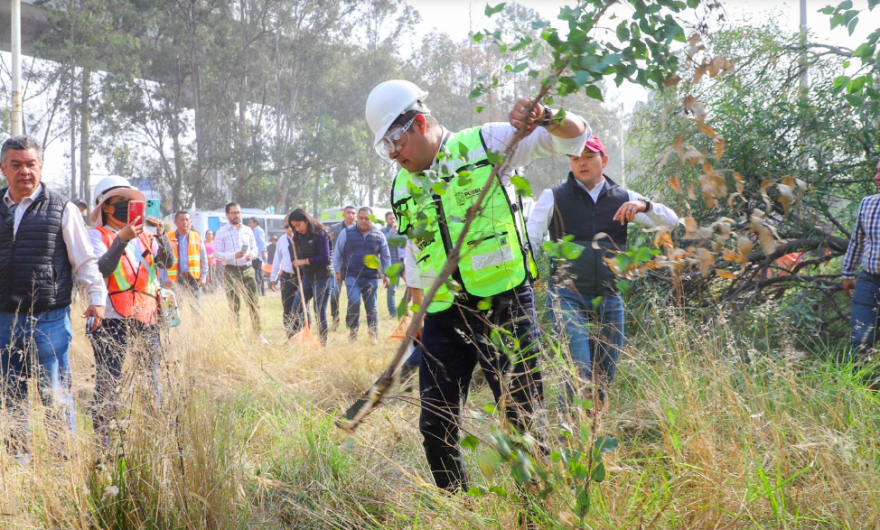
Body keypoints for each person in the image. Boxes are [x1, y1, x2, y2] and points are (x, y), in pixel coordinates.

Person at [366, 79, 589, 492]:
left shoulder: (485, 144)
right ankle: (458, 507)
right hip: (442, 317)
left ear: (417, 122)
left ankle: (534, 513)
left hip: (504, 304)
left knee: (523, 418)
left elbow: (575, 138)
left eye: (395, 140)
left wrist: (548, 116)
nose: (393, 154)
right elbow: (418, 256)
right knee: (434, 424)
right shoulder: (401, 186)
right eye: (385, 147)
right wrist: (417, 316)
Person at [527, 135, 679, 405]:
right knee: (580, 369)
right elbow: (530, 241)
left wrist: (646, 205)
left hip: (609, 297)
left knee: (604, 374)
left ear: (604, 160)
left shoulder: (624, 198)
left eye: (588, 156)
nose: (581, 162)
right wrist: (525, 284)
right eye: (575, 158)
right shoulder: (553, 196)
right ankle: (566, 435)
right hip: (566, 296)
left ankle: (594, 434)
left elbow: (672, 222)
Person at [0, 135, 106, 459]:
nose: (24, 172)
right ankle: (19, 461)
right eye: (16, 165)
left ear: (40, 166)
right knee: (10, 395)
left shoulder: (62, 208)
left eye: (31, 164)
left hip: (50, 320)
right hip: (4, 320)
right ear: (3, 168)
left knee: (55, 395)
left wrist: (97, 296)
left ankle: (63, 465)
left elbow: (84, 259)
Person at [87, 176, 175, 451]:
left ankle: (154, 433)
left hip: (147, 317)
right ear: (106, 207)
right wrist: (121, 240)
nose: (127, 207)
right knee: (108, 381)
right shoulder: (96, 235)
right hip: (111, 320)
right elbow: (102, 269)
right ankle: (106, 442)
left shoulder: (146, 236)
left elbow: (167, 263)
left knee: (151, 378)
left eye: (130, 202)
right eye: (120, 202)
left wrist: (161, 236)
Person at [332, 207, 390, 343]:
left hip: (371, 277)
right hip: (352, 276)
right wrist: (337, 271)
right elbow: (337, 253)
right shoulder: (347, 232)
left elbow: (386, 257)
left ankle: (373, 334)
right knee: (354, 302)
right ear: (357, 218)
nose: (363, 221)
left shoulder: (379, 235)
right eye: (361, 218)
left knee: (372, 307)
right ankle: (353, 333)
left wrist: (386, 275)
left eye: (367, 218)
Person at [842, 159, 880, 357]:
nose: (876, 177)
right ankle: (864, 386)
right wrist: (847, 273)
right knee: (861, 339)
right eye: (876, 171)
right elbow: (856, 241)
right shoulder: (868, 204)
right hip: (869, 280)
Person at [214, 203, 264, 342]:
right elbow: (217, 253)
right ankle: (236, 335)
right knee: (234, 303)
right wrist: (232, 255)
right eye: (233, 213)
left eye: (238, 212)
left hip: (247, 268)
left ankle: (257, 334)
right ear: (227, 215)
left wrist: (251, 255)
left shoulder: (248, 230)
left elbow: (255, 248)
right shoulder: (221, 232)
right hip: (231, 270)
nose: (237, 215)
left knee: (254, 302)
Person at [288, 209, 333, 345]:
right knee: (295, 308)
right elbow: (297, 255)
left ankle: (322, 344)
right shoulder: (297, 237)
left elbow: (325, 258)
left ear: (306, 221)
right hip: (308, 277)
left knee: (319, 311)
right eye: (294, 226)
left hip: (323, 277)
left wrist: (303, 261)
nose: (297, 228)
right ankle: (297, 339)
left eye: (298, 225)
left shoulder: (320, 234)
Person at [160, 211, 208, 307]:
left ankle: (196, 323)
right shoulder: (168, 237)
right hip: (175, 279)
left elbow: (204, 259)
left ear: (190, 222)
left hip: (194, 278)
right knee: (175, 308)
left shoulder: (196, 236)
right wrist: (164, 279)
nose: (184, 222)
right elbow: (161, 261)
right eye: (181, 220)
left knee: (196, 307)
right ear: (175, 222)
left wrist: (203, 277)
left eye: (187, 220)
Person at [269, 219, 299, 340]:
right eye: (286, 226)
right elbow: (277, 260)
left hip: (300, 277)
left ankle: (301, 334)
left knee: (300, 308)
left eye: (291, 226)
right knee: (287, 308)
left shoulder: (302, 238)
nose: (289, 229)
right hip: (286, 277)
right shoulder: (281, 240)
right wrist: (273, 278)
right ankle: (290, 337)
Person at [329, 205, 357, 332]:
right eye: (348, 213)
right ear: (343, 215)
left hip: (353, 269)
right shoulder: (334, 229)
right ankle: (335, 320)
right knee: (334, 295)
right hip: (338, 268)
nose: (350, 215)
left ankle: (350, 322)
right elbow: (331, 248)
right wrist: (334, 269)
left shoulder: (359, 228)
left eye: (353, 213)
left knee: (353, 297)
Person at [382, 211, 406, 317]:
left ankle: (403, 307)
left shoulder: (401, 230)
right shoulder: (383, 231)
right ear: (386, 220)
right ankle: (392, 312)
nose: (393, 220)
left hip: (403, 263)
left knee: (412, 285)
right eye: (390, 219)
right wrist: (392, 230)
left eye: (394, 218)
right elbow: (385, 240)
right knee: (392, 289)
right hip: (391, 265)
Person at [248, 217, 268, 295]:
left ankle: (258, 290)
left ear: (255, 223)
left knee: (257, 273)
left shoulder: (258, 230)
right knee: (257, 272)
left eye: (251, 222)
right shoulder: (253, 230)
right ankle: (260, 291)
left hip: (258, 255)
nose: (249, 224)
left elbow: (262, 242)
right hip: (254, 255)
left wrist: (263, 252)